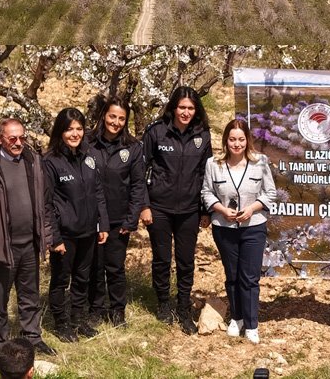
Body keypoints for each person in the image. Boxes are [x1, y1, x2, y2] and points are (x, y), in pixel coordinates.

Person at [141, 85, 212, 334]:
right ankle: (163, 303)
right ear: (173, 107)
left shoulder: (202, 135)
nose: (186, 112)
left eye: (191, 108)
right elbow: (140, 171)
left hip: (190, 210)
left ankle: (183, 307)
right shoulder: (156, 132)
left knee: (186, 261)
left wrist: (205, 210)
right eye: (182, 107)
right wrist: (144, 206)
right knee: (161, 259)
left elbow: (206, 174)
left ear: (196, 110)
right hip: (159, 208)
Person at [0, 116, 55, 356]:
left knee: (29, 294)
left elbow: (43, 202)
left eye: (22, 137)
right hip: (3, 244)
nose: (18, 142)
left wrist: (45, 236)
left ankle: (32, 337)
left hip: (29, 244)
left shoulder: (32, 161)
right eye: (12, 138)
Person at [201, 118, 277, 345]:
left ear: (247, 140)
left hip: (253, 227)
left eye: (241, 139)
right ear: (226, 140)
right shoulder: (213, 164)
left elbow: (270, 193)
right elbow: (206, 192)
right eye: (232, 139)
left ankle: (252, 324)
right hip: (224, 227)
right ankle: (237, 318)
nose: (236, 144)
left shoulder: (260, 162)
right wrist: (221, 209)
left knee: (250, 277)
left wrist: (253, 208)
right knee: (232, 275)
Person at [43, 107, 108, 342]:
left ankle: (78, 319)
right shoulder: (50, 162)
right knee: (61, 280)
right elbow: (46, 204)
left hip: (89, 231)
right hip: (66, 234)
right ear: (61, 131)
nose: (75, 133)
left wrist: (104, 224)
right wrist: (55, 238)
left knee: (83, 278)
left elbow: (98, 191)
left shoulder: (88, 156)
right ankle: (61, 324)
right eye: (69, 129)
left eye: (79, 129)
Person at [86, 97, 147, 327]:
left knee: (115, 266)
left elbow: (138, 185)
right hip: (91, 217)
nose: (116, 122)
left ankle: (117, 309)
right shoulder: (88, 142)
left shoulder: (132, 147)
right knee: (95, 265)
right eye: (112, 116)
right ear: (104, 115)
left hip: (118, 218)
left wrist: (131, 219)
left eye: (122, 118)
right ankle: (96, 308)